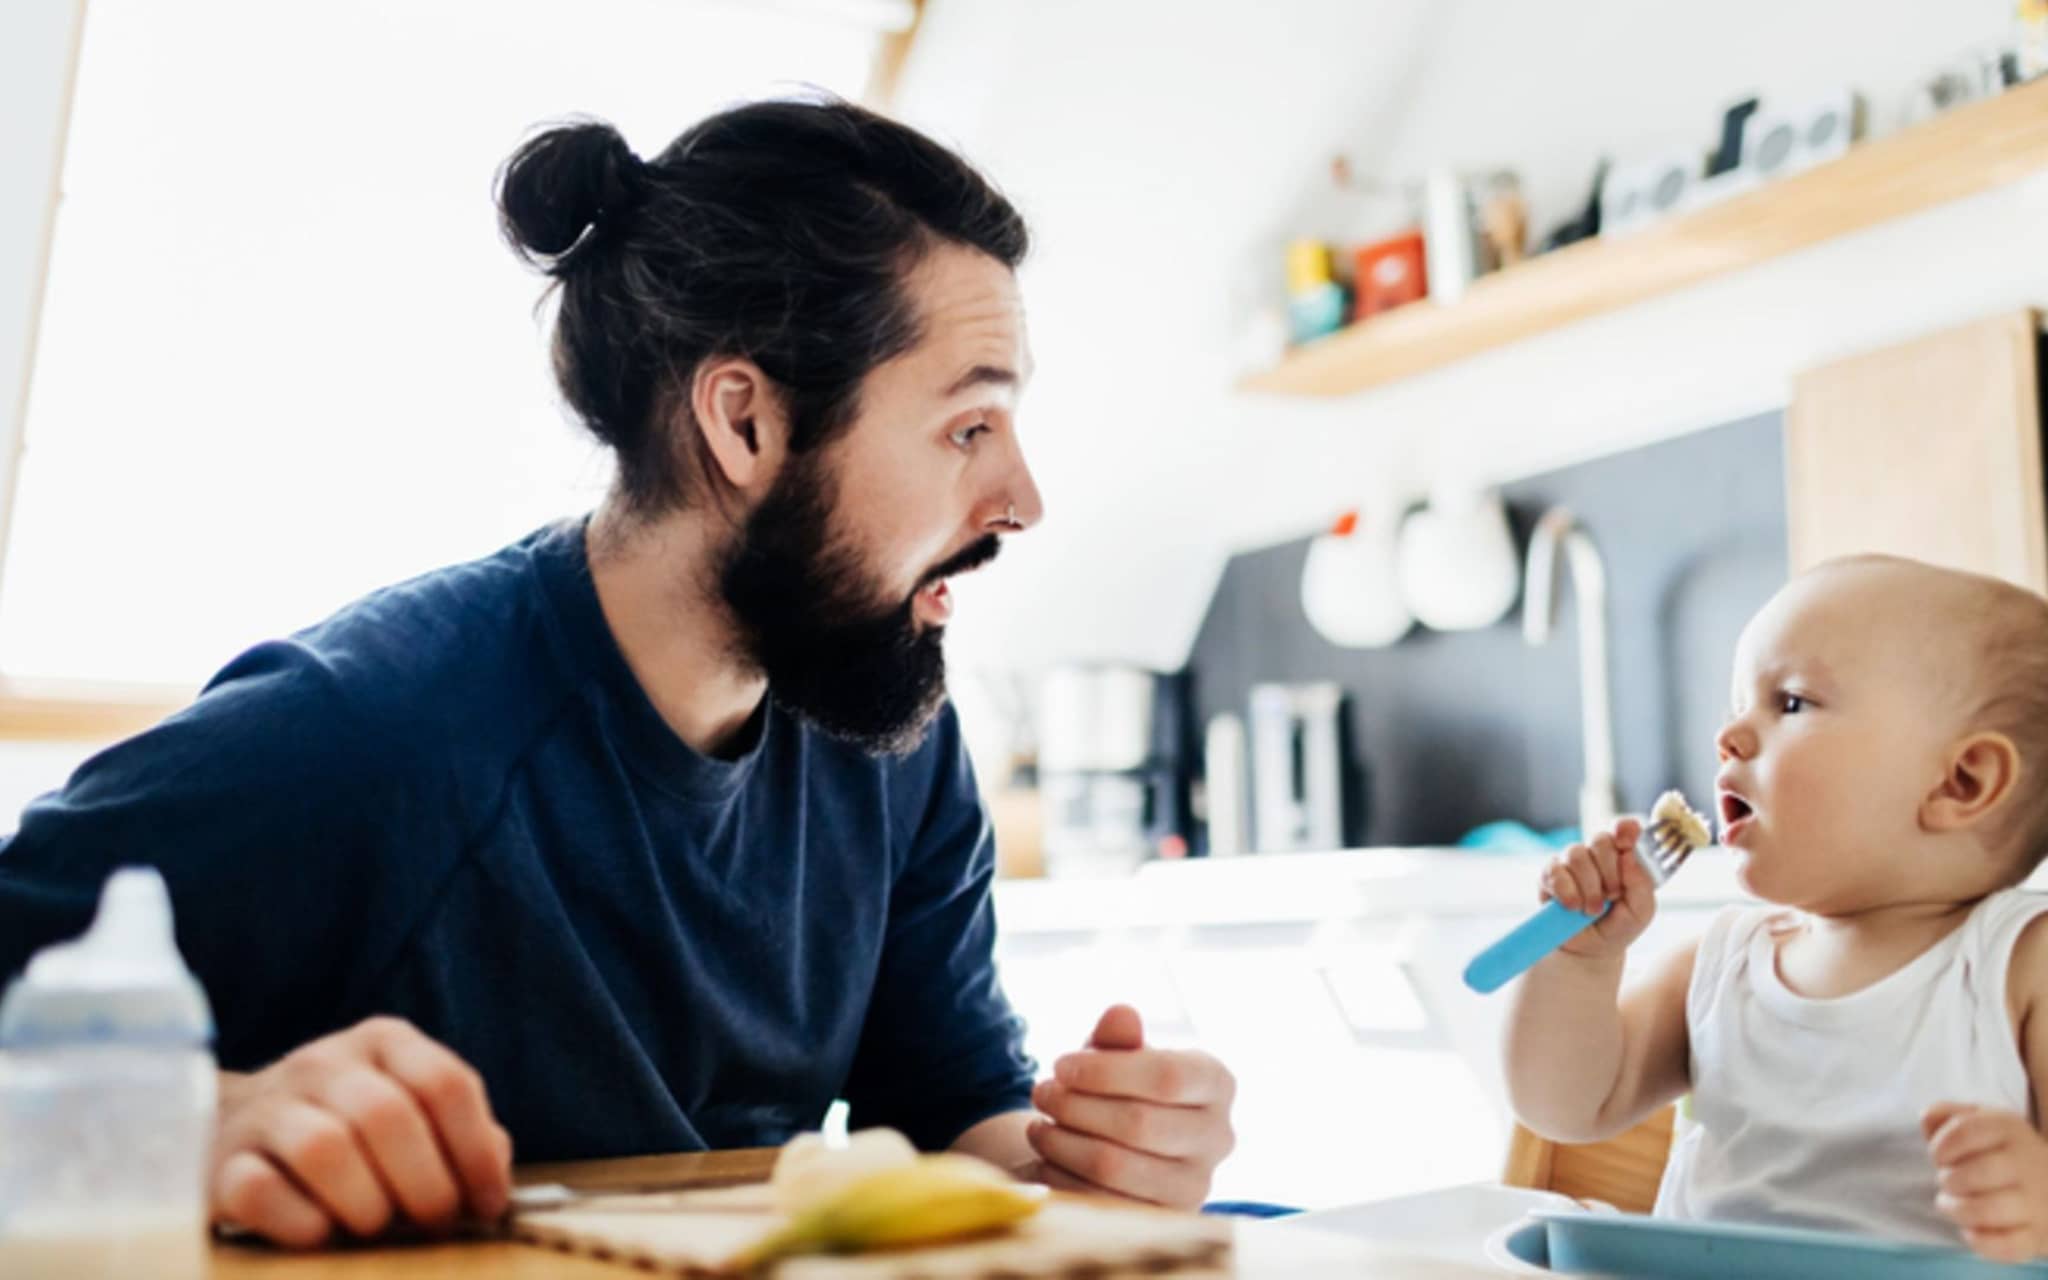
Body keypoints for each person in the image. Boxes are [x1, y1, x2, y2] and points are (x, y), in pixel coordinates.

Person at [0, 97, 1236, 1249]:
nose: (1021, 499)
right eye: (969, 426)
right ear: (743, 422)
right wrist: (203, 1113)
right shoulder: (376, 728)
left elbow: (953, 1108)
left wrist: (1086, 1157)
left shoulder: (893, 735)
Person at [1503, 554, 2048, 1263]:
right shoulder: (1720, 963)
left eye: (1790, 702)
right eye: (1737, 705)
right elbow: (1568, 1107)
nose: (1728, 736)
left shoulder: (2020, 970)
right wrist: (1580, 964)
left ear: (1961, 782)